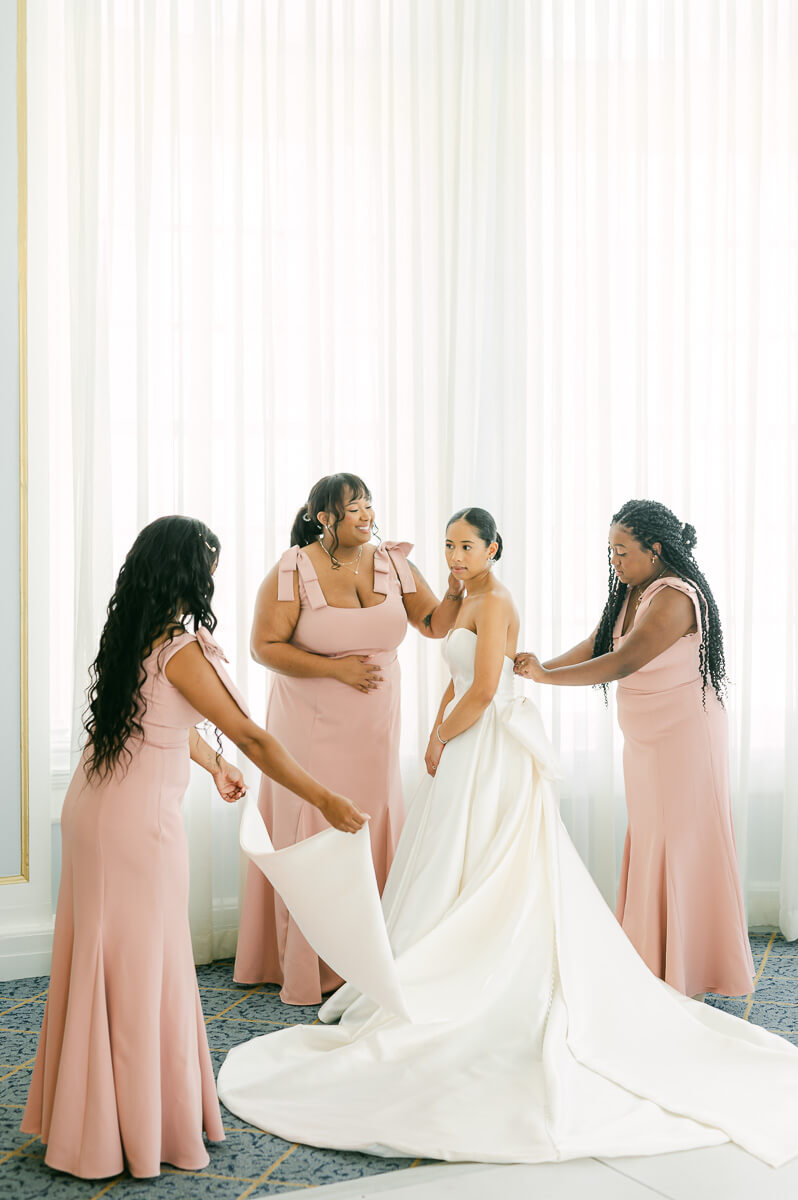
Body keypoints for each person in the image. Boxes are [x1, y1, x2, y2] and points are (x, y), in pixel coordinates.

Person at [217, 506, 798, 1170]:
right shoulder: (473, 596)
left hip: (509, 739)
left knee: (510, 859)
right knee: (455, 859)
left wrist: (464, 719)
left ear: (494, 547)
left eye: (467, 545)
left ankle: (677, 963)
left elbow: (520, 680)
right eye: (447, 546)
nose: (455, 557)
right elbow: (458, 654)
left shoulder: (517, 600)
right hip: (517, 739)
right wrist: (409, 592)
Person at [21, 516, 366, 1181]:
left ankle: (95, 1119)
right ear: (187, 571)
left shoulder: (135, 634)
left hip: (96, 810)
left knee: (105, 958)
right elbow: (255, 737)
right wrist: (323, 798)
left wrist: (210, 765)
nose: (213, 575)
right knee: (145, 964)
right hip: (138, 824)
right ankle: (136, 1126)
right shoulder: (184, 648)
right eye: (208, 563)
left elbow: (157, 722)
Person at [234, 473, 465, 1004]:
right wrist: (334, 670)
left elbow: (432, 623)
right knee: (311, 824)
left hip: (375, 722)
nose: (366, 514)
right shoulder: (291, 570)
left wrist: (454, 592)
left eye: (368, 505)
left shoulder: (394, 561)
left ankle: (371, 954)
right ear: (325, 518)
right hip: (309, 723)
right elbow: (263, 647)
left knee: (373, 814)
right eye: (353, 507)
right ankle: (307, 962)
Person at [514, 498, 753, 999]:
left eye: (622, 551)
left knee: (680, 844)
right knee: (652, 840)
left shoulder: (674, 597)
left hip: (685, 739)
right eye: (610, 551)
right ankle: (655, 959)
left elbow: (623, 661)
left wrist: (548, 679)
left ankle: (690, 968)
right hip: (646, 743)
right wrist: (539, 668)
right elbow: (600, 642)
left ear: (656, 548)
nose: (614, 562)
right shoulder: (634, 588)